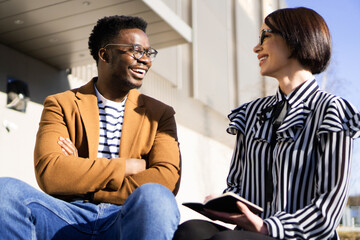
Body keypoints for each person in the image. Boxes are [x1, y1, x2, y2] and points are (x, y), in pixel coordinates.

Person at [174, 7, 360, 240]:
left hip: (302, 236)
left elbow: (328, 210)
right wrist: (227, 205)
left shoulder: (332, 110)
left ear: (296, 38)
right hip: (250, 234)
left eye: (265, 36)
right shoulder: (251, 113)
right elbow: (236, 184)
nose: (256, 47)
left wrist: (267, 226)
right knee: (190, 231)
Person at [0, 15, 181, 239]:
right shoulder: (61, 104)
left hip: (125, 217)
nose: (145, 59)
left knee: (155, 197)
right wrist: (127, 166)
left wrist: (82, 172)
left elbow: (166, 179)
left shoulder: (160, 114)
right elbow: (51, 174)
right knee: (5, 192)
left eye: (148, 52)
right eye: (136, 51)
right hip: (68, 214)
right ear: (105, 54)